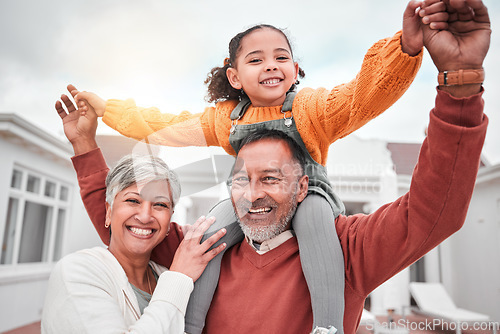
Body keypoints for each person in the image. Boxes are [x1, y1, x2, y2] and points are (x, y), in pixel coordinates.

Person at [66, 1, 449, 331]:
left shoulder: (310, 109)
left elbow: (362, 96)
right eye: (256, 59)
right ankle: (191, 325)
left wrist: (405, 49)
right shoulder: (226, 119)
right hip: (247, 203)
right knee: (207, 237)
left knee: (317, 228)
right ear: (234, 75)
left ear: (296, 69)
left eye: (281, 57)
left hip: (309, 194)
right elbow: (163, 125)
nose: (271, 65)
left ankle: (328, 327)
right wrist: (108, 111)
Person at [41, 116, 228, 333]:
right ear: (108, 212)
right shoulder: (77, 272)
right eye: (133, 201)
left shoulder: (164, 273)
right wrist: (179, 277)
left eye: (159, 204)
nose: (145, 216)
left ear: (170, 221)